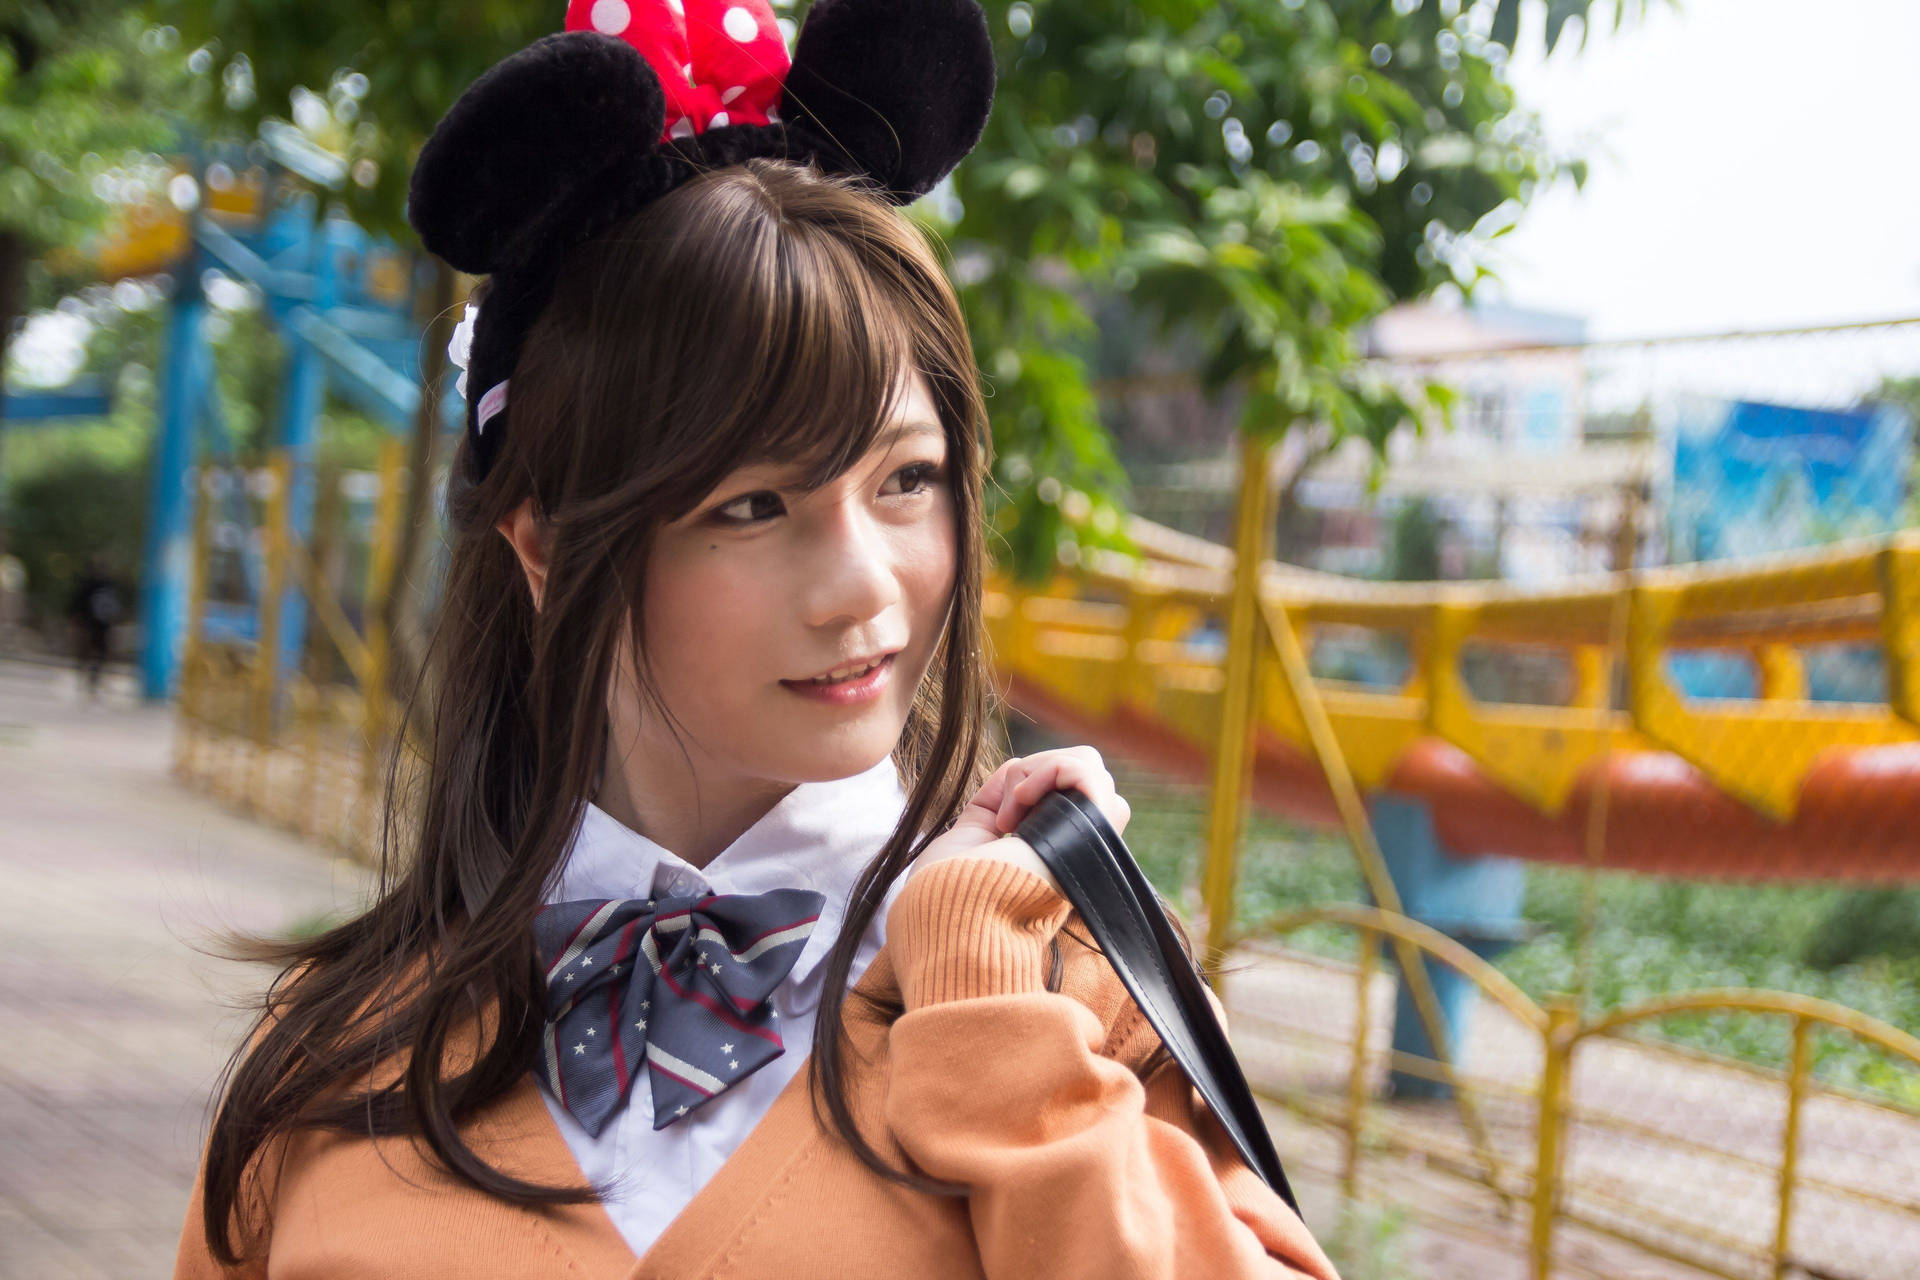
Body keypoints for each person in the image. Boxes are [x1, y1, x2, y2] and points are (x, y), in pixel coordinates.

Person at [172, 1, 1338, 1277]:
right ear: (546, 541)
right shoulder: (337, 1052)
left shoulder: (1072, 988)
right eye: (753, 504)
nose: (862, 590)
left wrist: (980, 987)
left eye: (906, 479)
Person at [65, 551, 121, 701]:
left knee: (93, 655)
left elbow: (76, 606)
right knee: (95, 655)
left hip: (95, 626)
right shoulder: (104, 585)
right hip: (96, 626)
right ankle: (90, 683)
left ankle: (90, 682)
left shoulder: (92, 585)